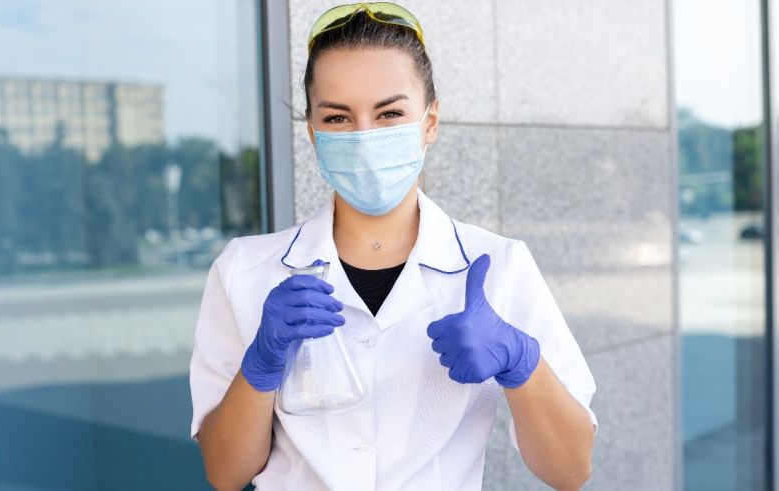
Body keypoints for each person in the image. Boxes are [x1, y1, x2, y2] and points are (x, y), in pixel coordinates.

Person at [189, 3, 598, 490]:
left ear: (429, 122)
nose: (365, 137)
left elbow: (570, 472)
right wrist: (260, 365)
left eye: (390, 113)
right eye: (338, 118)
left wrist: (520, 364)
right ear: (313, 132)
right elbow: (225, 474)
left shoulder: (501, 266)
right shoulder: (245, 270)